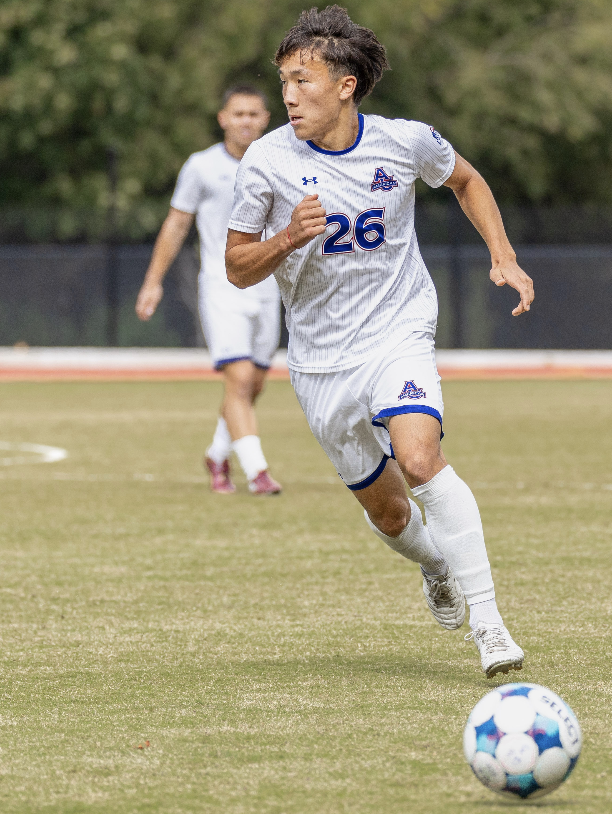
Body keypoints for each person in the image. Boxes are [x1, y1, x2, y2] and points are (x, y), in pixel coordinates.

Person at [225, 6, 535, 677]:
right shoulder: (266, 162)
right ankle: (437, 565)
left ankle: (490, 626)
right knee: (391, 514)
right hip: (320, 361)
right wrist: (287, 238)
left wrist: (503, 255)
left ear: (345, 86)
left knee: (420, 459)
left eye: (302, 81)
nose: (288, 96)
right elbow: (237, 266)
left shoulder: (404, 142)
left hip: (399, 330)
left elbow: (466, 179)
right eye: (283, 82)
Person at [137, 85, 283, 495]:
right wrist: (153, 281)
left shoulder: (280, 162)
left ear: (265, 119)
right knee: (239, 378)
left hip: (268, 287)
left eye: (253, 114)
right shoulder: (201, 167)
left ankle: (217, 455)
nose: (246, 121)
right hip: (222, 287)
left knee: (254, 384)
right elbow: (177, 223)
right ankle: (257, 472)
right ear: (222, 119)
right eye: (238, 113)